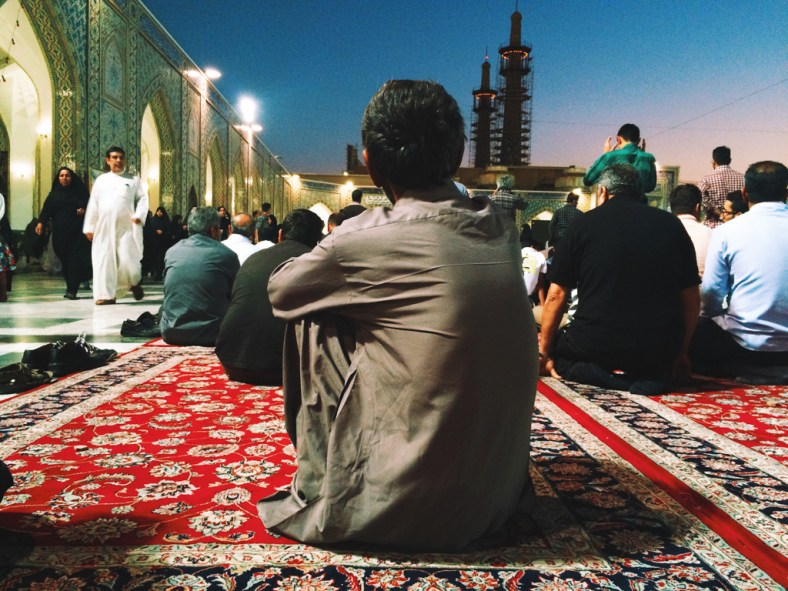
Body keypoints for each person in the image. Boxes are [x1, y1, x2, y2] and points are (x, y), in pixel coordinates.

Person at [258, 80, 538, 551]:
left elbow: (280, 292)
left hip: (411, 512)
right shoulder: (499, 225)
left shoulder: (364, 238)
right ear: (459, 150)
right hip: (498, 498)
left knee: (314, 316)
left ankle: (325, 485)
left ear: (369, 162)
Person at [540, 163, 700, 395]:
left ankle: (603, 377)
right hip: (656, 349)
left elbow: (556, 295)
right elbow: (692, 297)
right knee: (656, 362)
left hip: (594, 345)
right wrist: (682, 352)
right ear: (640, 192)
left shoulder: (583, 224)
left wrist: (545, 353)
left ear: (603, 192)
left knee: (562, 353)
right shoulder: (670, 224)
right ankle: (648, 377)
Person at [691, 161, 787, 382]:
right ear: (786, 191)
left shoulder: (727, 231)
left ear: (744, 194)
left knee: (685, 334)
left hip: (744, 347)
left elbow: (711, 297)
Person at [216, 209, 324, 385]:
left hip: (231, 360)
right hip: (283, 369)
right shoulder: (316, 262)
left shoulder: (254, 258)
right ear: (318, 240)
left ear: (280, 234)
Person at [159, 206, 239, 346]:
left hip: (171, 331)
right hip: (212, 333)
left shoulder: (172, 251)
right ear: (213, 230)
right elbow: (236, 294)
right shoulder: (226, 255)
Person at [83, 146, 148, 305]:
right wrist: (90, 227)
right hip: (104, 227)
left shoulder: (133, 180)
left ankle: (133, 283)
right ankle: (106, 295)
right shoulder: (101, 180)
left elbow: (143, 199)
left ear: (124, 159)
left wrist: (139, 216)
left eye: (121, 157)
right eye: (114, 157)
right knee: (104, 260)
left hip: (126, 227)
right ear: (108, 160)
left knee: (128, 259)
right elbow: (94, 204)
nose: (118, 160)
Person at [34, 168, 93, 299]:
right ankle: (71, 286)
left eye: (67, 176)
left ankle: (72, 290)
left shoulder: (80, 194)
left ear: (72, 178)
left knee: (74, 261)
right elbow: (46, 210)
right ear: (58, 178)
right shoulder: (54, 195)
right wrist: (40, 223)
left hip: (77, 234)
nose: (64, 178)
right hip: (60, 235)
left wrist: (84, 212)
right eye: (61, 175)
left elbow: (92, 208)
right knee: (66, 262)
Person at [583, 123, 656, 195]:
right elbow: (650, 187)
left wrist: (605, 155)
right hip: (639, 205)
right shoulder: (648, 158)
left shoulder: (610, 156)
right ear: (639, 140)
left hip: (614, 204)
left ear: (619, 139)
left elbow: (588, 180)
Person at [669, 184, 712, 277]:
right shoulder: (711, 234)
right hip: (701, 290)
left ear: (671, 207)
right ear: (697, 207)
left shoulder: (661, 232)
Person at [698, 146, 745, 228]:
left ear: (713, 161)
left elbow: (698, 197)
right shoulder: (743, 178)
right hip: (737, 223)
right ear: (730, 160)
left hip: (713, 224)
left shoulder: (706, 179)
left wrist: (712, 208)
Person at [147, 206, 170, 281]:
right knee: (155, 258)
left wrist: (162, 232)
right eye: (158, 211)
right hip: (154, 243)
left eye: (161, 212)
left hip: (163, 243)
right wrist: (156, 231)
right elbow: (149, 230)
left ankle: (159, 274)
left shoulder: (166, 221)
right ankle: (155, 273)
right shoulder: (153, 220)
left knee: (160, 259)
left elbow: (168, 230)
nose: (159, 213)